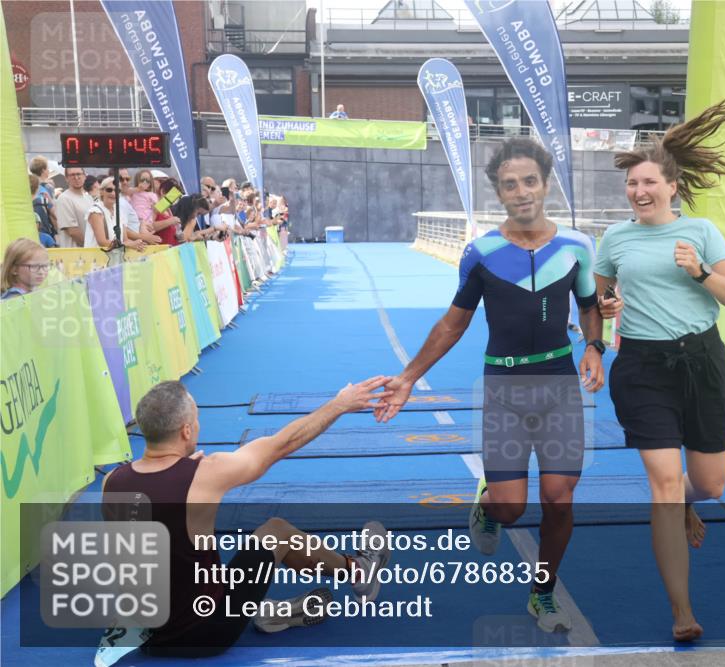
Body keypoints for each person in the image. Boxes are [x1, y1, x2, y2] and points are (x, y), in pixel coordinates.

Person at [374, 138, 605, 633]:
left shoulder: (578, 246)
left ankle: (542, 593)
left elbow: (589, 306)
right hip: (504, 387)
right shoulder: (481, 253)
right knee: (511, 506)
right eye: (509, 185)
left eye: (529, 181)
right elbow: (453, 324)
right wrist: (408, 378)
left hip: (559, 384)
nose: (521, 192)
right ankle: (487, 505)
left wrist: (594, 346)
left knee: (559, 498)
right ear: (499, 193)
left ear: (545, 185)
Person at [593, 100, 725, 642]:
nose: (639, 191)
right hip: (642, 366)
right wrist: (604, 315)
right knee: (662, 483)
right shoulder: (615, 239)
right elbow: (597, 301)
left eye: (649, 182)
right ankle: (682, 611)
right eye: (632, 183)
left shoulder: (702, 232)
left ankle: (688, 501)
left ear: (672, 187)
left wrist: (700, 271)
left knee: (708, 483)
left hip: (702, 362)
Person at [102, 378, 393, 656]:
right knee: (276, 532)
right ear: (187, 431)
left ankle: (267, 612)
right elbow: (283, 443)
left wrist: (180, 475)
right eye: (197, 419)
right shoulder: (204, 474)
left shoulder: (112, 482)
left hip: (149, 638)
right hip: (206, 633)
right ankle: (360, 572)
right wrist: (340, 404)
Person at [85, 177, 146, 251]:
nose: (113, 193)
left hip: (115, 256)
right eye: (109, 190)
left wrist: (139, 244)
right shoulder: (96, 211)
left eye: (117, 191)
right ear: (101, 192)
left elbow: (125, 240)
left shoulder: (119, 212)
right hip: (95, 256)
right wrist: (129, 244)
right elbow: (102, 242)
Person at [53, 167, 92, 247]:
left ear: (84, 176)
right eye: (72, 175)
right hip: (75, 251)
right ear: (66, 178)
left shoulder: (89, 198)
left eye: (79, 174)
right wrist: (89, 246)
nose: (76, 177)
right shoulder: (64, 199)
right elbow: (72, 231)